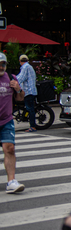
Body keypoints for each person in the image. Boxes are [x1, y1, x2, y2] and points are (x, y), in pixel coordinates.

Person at [0, 52, 26, 194]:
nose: (1, 67)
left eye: (3, 64)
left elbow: (20, 98)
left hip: (6, 120)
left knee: (9, 148)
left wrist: (18, 88)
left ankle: (11, 181)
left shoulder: (11, 78)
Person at [16, 54, 37, 133]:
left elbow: (21, 78)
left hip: (28, 91)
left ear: (20, 61)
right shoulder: (29, 66)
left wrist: (13, 81)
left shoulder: (25, 67)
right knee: (29, 107)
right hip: (30, 91)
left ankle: (33, 126)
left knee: (30, 108)